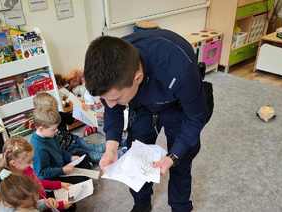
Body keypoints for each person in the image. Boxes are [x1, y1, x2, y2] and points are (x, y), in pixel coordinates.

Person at [84, 29, 209, 212]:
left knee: (181, 158)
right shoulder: (112, 67)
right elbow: (113, 108)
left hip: (177, 103)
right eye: (105, 99)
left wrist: (172, 156)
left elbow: (196, 117)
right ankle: (141, 204)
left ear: (137, 78)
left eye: (115, 98)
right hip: (141, 103)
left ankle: (181, 206)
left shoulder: (181, 69)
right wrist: (111, 149)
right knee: (136, 154)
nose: (109, 106)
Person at [2, 136, 72, 210]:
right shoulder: (15, 186)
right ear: (13, 163)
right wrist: (58, 205)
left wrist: (59, 184)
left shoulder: (26, 169)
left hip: (43, 200)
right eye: (28, 161)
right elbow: (31, 206)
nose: (32, 164)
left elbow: (37, 182)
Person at [33, 92, 105, 163]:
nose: (55, 112)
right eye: (53, 110)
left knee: (93, 147)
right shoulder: (44, 130)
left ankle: (110, 147)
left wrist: (83, 109)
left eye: (56, 108)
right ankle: (108, 156)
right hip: (68, 149)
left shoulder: (60, 114)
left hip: (74, 139)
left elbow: (72, 118)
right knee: (92, 155)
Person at [30, 108, 90, 184]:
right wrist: (62, 170)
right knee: (82, 179)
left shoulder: (50, 135)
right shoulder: (38, 148)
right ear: (41, 129)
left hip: (60, 165)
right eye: (53, 129)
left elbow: (59, 150)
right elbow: (42, 173)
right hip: (53, 176)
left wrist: (70, 157)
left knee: (83, 155)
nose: (57, 130)